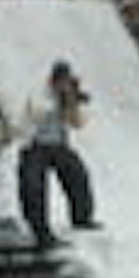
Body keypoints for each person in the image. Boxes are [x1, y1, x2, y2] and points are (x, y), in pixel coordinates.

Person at [18, 60, 99, 249]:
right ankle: (40, 231)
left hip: (58, 145)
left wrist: (72, 103)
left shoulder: (66, 97)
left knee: (78, 175)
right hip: (34, 144)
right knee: (34, 187)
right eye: (61, 81)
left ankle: (82, 216)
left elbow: (77, 124)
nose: (64, 85)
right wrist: (59, 99)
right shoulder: (40, 93)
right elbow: (37, 112)